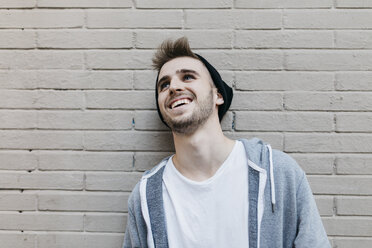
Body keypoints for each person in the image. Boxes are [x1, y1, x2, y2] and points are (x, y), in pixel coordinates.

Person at [123, 37, 330, 248]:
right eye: (164, 84)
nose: (174, 87)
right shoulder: (146, 195)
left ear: (218, 95)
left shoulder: (278, 173)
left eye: (187, 77)